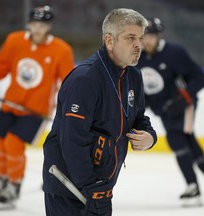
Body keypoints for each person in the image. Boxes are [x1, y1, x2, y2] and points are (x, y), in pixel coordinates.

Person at [42, 8, 157, 216]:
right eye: (130, 38)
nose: (139, 45)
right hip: (68, 184)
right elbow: (72, 141)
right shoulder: (85, 80)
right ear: (109, 41)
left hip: (100, 186)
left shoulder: (134, 77)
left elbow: (138, 118)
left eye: (140, 38)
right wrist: (93, 187)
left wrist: (150, 136)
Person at [0, 5, 75, 209]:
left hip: (35, 110)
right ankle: (3, 181)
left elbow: (68, 83)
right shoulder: (14, 41)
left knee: (14, 143)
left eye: (42, 24)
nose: (38, 28)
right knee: (2, 142)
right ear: (29, 24)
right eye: (34, 23)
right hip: (10, 103)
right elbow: (0, 68)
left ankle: (14, 185)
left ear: (48, 26)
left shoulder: (61, 50)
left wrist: (70, 107)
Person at [136, 17, 204, 207]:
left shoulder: (174, 53)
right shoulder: (138, 57)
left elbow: (199, 78)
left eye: (150, 36)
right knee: (183, 144)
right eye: (143, 37)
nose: (146, 41)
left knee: (183, 143)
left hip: (183, 107)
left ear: (159, 36)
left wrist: (183, 97)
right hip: (164, 110)